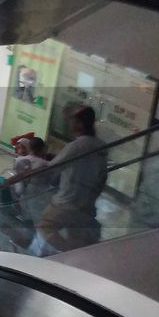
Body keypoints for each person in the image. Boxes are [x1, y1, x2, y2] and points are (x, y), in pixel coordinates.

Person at [36, 106, 108, 251]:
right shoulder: (101, 146)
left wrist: (23, 175)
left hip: (66, 202)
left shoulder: (76, 146)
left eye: (72, 120)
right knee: (77, 237)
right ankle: (76, 258)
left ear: (80, 124)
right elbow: (102, 176)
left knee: (45, 226)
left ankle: (68, 252)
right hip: (86, 204)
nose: (69, 123)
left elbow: (51, 168)